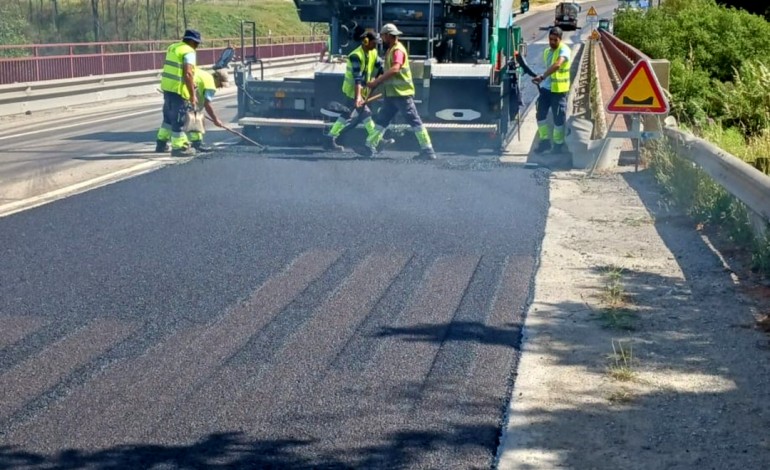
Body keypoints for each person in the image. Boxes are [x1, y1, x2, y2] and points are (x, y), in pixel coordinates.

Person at [364, 23, 436, 160]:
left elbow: (395, 69)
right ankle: (369, 145)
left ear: (389, 36)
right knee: (382, 119)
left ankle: (428, 149)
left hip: (401, 94)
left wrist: (377, 81)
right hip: (392, 94)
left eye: (384, 36)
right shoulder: (392, 49)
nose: (383, 39)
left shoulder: (397, 50)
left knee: (414, 120)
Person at [324, 30, 384, 152]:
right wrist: (358, 97)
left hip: (361, 90)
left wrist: (377, 78)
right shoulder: (355, 56)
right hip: (353, 90)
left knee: (346, 114)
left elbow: (381, 67)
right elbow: (358, 79)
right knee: (365, 113)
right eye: (374, 43)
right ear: (366, 41)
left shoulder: (372, 52)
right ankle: (378, 140)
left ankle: (329, 138)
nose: (376, 46)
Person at [155, 29, 201, 157]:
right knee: (179, 119)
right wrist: (192, 96)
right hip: (179, 91)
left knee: (168, 118)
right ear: (192, 41)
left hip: (168, 89)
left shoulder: (173, 47)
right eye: (197, 43)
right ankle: (179, 147)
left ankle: (161, 143)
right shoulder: (189, 51)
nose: (197, 46)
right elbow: (188, 73)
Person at [532, 26, 571, 154]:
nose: (552, 42)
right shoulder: (547, 52)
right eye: (550, 39)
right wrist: (541, 80)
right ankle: (545, 142)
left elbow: (557, 64)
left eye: (555, 40)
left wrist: (542, 77)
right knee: (540, 115)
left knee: (558, 118)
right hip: (546, 90)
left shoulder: (564, 50)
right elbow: (549, 67)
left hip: (559, 91)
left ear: (560, 39)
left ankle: (558, 145)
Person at [186, 69, 227, 152]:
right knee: (196, 117)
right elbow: (207, 104)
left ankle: (161, 142)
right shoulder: (210, 85)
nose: (219, 87)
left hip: (181, 91)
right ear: (217, 78)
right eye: (220, 85)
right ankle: (197, 143)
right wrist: (215, 119)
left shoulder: (203, 74)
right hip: (190, 97)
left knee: (170, 119)